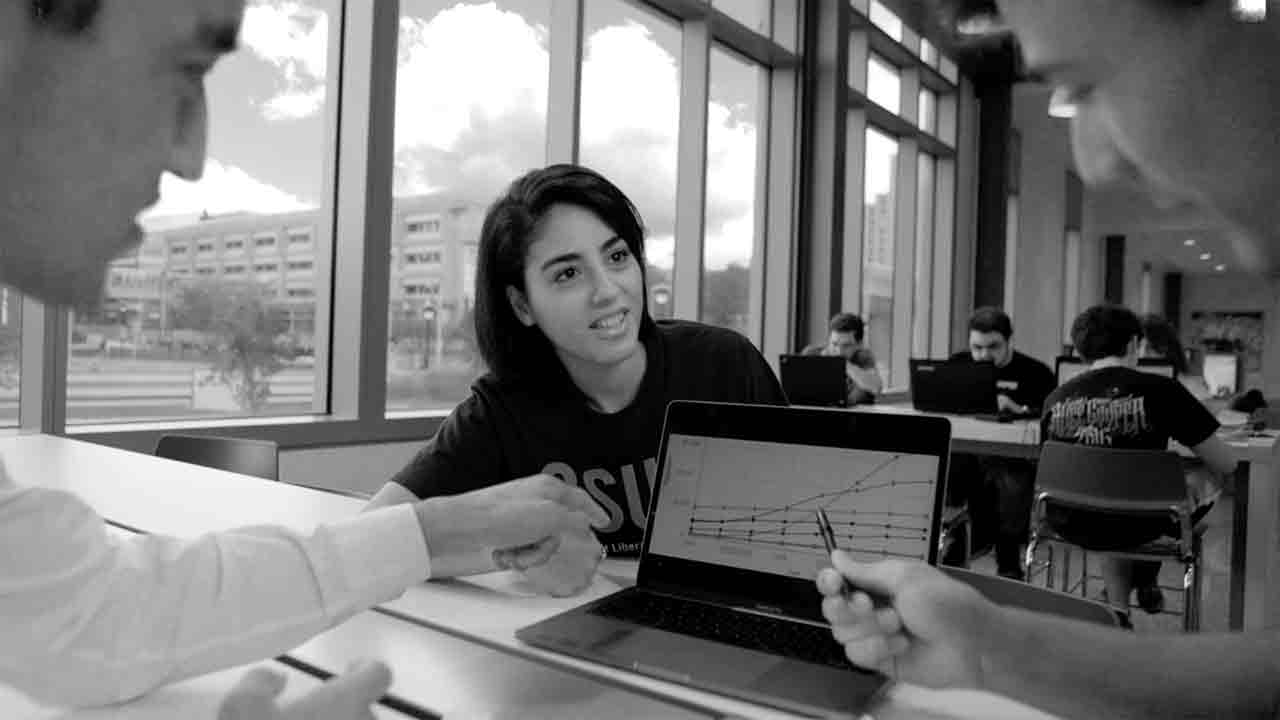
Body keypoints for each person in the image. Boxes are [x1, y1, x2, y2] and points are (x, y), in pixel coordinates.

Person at [0, 0, 609, 714]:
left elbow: (82, 616)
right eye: (187, 68)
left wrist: (434, 531)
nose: (191, 156)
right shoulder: (498, 408)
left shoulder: (710, 360)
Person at [820, 2, 1280, 717]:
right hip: (1143, 526)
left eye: (1084, 82)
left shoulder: (1053, 392)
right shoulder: (1148, 393)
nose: (1095, 163)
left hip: (1061, 521)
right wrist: (986, 644)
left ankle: (1016, 561)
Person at [366, 164, 787, 568]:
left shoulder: (724, 365)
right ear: (522, 305)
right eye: (568, 273)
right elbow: (371, 539)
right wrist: (515, 560)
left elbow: (805, 521)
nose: (607, 290)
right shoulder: (502, 411)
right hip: (571, 628)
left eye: (617, 257)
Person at [1042, 304, 1236, 623]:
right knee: (1201, 477)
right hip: (1142, 521)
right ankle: (1135, 590)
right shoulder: (1162, 390)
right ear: (1134, 344)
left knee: (1107, 495)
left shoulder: (1054, 399)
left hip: (1069, 519)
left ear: (1079, 351)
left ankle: (1118, 611)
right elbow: (1227, 462)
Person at [948, 307, 1055, 579]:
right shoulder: (957, 366)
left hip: (1013, 455)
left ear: (1010, 342)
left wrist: (1018, 409)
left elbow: (1048, 418)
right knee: (949, 469)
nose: (984, 355)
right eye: (977, 347)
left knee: (1011, 476)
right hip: (967, 450)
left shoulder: (1036, 372)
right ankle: (961, 542)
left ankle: (1007, 556)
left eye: (993, 347)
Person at [803, 312, 883, 405]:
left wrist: (844, 364)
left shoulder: (863, 357)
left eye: (846, 345)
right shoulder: (812, 353)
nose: (839, 351)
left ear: (859, 344)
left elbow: (875, 387)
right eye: (834, 344)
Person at [1139, 313, 1213, 401]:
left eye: (1149, 348)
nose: (1142, 355)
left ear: (1165, 349)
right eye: (1137, 347)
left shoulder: (1191, 387)